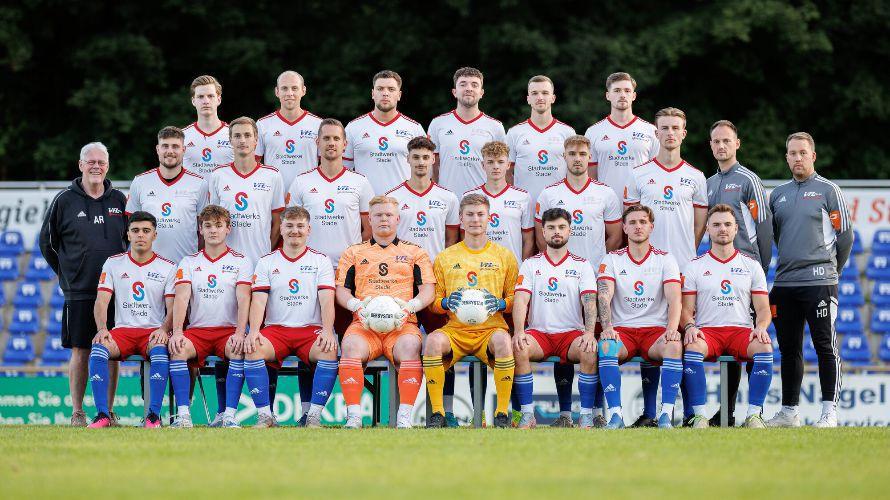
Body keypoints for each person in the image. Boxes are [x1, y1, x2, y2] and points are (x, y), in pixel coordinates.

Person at [623, 107, 707, 426]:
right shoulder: (638, 174)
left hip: (683, 269)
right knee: (650, 332)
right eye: (664, 128)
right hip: (647, 268)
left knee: (680, 337)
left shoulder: (696, 177)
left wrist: (682, 254)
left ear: (683, 133)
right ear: (655, 133)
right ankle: (650, 412)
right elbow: (633, 221)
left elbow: (698, 226)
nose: (670, 133)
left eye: (675, 128)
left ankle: (690, 412)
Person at [535, 135, 623, 426]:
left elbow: (614, 236)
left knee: (591, 343)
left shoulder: (605, 193)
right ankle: (564, 413)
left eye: (582, 154)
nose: (577, 158)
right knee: (563, 340)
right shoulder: (550, 193)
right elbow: (541, 237)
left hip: (593, 280)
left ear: (589, 158)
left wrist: (597, 268)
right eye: (571, 153)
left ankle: (595, 412)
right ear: (564, 156)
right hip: (559, 277)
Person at [766, 132, 853, 428]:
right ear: (786, 158)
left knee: (824, 346)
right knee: (789, 349)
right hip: (784, 284)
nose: (798, 158)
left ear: (813, 156)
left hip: (820, 282)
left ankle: (829, 412)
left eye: (803, 152)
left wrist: (831, 271)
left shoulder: (829, 191)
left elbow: (845, 237)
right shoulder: (777, 195)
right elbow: (778, 236)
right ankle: (789, 412)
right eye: (792, 153)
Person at [39, 141, 128, 427]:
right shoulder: (64, 200)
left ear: (107, 166)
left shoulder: (120, 200)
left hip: (113, 292)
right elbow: (46, 242)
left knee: (111, 350)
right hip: (79, 291)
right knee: (81, 350)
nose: (96, 166)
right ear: (80, 165)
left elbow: (130, 241)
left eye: (101, 162)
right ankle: (77, 411)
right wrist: (66, 274)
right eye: (91, 161)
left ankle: (108, 411)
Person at [336, 196, 436, 429]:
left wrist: (411, 307)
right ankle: (354, 416)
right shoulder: (353, 252)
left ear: (398, 219)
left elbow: (428, 291)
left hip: (402, 324)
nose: (384, 219)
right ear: (369, 219)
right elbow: (341, 290)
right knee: (349, 346)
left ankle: (404, 417)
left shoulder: (415, 252)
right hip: (364, 324)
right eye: (378, 215)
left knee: (410, 347)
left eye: (389, 215)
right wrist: (355, 306)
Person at [423, 193, 519, 429]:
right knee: (433, 341)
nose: (475, 219)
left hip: (491, 329)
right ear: (461, 219)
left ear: (489, 218)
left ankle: (502, 413)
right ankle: (438, 414)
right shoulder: (445, 257)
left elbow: (515, 298)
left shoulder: (505, 256)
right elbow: (434, 302)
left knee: (504, 342)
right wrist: (446, 303)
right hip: (456, 330)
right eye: (470, 215)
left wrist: (501, 304)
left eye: (480, 214)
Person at [386, 136, 461, 426]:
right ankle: (399, 412)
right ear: (407, 159)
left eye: (425, 157)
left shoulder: (448, 197)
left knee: (443, 345)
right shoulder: (393, 196)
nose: (420, 162)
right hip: (401, 284)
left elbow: (451, 241)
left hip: (436, 283)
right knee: (399, 345)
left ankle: (445, 412)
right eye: (415, 157)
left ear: (433, 160)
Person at [243, 206, 338, 428]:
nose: (295, 231)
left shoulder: (320, 261)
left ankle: (313, 417)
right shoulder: (267, 261)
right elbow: (258, 301)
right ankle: (265, 416)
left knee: (329, 349)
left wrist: (327, 331)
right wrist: (254, 331)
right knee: (253, 347)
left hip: (310, 329)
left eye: (300, 226)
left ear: (309, 230)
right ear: (281, 229)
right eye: (289, 226)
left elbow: (327, 300)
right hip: (276, 330)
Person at [679, 204, 773, 428]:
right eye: (717, 225)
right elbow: (685, 310)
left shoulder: (751, 266)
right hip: (708, 332)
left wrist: (761, 327)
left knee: (764, 347)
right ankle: (699, 416)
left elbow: (763, 310)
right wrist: (690, 326)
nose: (722, 229)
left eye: (727, 224)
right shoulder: (694, 266)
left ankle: (754, 415)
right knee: (692, 347)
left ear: (736, 228)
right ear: (708, 229)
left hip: (740, 331)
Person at [705, 119, 773, 426]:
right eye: (716, 141)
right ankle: (727, 410)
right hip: (718, 270)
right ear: (711, 146)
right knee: (727, 338)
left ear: (737, 144)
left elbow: (764, 227)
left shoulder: (748, 180)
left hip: (745, 271)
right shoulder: (708, 183)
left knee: (753, 339)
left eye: (726, 141)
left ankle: (755, 411)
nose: (721, 146)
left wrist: (761, 267)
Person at [596, 204, 684, 429]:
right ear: (624, 228)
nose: (638, 227)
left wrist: (672, 329)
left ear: (651, 227)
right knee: (606, 345)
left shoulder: (665, 259)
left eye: (643, 222)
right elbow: (604, 296)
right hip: (623, 332)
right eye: (632, 222)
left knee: (674, 346)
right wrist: (607, 327)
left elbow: (675, 299)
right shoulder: (612, 259)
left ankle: (665, 416)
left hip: (655, 332)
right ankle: (616, 415)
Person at [288, 118, 374, 343]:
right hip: (310, 270)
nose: (331, 143)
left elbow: (368, 230)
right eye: (326, 138)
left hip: (348, 271)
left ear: (345, 144)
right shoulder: (301, 182)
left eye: (336, 138)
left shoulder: (360, 182)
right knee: (312, 335)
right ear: (317, 142)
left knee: (349, 335)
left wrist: (352, 257)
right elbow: (291, 229)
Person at [512, 208, 599, 428]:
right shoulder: (531, 264)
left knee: (589, 349)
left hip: (571, 335)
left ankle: (586, 415)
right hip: (539, 334)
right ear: (543, 231)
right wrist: (519, 331)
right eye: (551, 228)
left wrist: (589, 333)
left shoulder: (582, 265)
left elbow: (589, 301)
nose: (556, 232)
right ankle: (527, 414)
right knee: (519, 347)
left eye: (561, 227)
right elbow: (521, 300)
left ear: (570, 230)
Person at [167, 205, 252, 428]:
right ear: (200, 229)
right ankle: (183, 415)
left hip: (228, 331)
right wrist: (177, 332)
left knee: (238, 349)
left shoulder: (241, 261)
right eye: (208, 226)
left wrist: (240, 332)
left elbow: (244, 299)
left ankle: (229, 416)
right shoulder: (189, 262)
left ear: (228, 229)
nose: (213, 230)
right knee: (177, 348)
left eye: (218, 225)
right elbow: (181, 298)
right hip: (198, 332)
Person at [88, 211, 176, 428]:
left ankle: (153, 416)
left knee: (160, 351)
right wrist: (102, 329)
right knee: (98, 349)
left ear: (155, 235)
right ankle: (103, 415)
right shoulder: (113, 263)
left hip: (152, 332)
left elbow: (173, 307)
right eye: (135, 230)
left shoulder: (168, 267)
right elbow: (101, 301)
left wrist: (164, 329)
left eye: (146, 231)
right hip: (123, 332)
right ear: (128, 234)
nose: (140, 235)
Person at [126, 126, 209, 265]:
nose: (170, 151)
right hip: (148, 268)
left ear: (184, 150)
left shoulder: (199, 184)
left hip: (185, 267)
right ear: (157, 149)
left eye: (175, 146)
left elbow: (203, 230)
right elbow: (131, 226)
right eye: (165, 146)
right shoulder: (140, 182)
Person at [208, 116, 285, 265]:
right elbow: (213, 220)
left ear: (256, 140)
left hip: (259, 262)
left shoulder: (272, 175)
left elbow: (278, 223)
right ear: (230, 140)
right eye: (237, 136)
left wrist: (265, 256)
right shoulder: (218, 175)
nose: (242, 140)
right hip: (225, 263)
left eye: (247, 135)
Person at [428, 67, 506, 199]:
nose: (469, 88)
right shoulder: (438, 124)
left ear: (481, 93)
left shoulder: (495, 127)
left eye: (474, 85)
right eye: (463, 84)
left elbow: (502, 169)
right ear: (454, 92)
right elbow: (432, 165)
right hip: (446, 201)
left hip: (482, 202)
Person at [344, 70, 426, 195]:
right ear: (373, 93)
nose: (385, 93)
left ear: (399, 95)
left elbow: (425, 171)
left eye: (391, 89)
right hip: (365, 203)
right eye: (380, 89)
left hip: (403, 203)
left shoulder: (414, 129)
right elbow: (343, 170)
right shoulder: (353, 128)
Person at [584, 72, 659, 200]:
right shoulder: (593, 132)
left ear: (634, 96)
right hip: (606, 205)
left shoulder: (651, 131)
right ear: (608, 95)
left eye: (627, 91)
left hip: (640, 207)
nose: (623, 95)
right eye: (617, 90)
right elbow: (591, 177)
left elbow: (656, 174)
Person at [506, 75, 575, 212]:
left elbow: (574, 173)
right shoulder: (514, 133)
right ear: (528, 99)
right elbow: (506, 173)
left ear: (553, 98)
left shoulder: (567, 133)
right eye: (534, 93)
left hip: (558, 209)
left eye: (545, 93)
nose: (540, 97)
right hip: (523, 209)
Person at [464, 141, 534, 262]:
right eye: (490, 162)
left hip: (511, 268)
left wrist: (522, 268)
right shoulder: (469, 196)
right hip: (478, 266)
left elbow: (528, 240)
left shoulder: (523, 197)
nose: (496, 166)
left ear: (508, 165)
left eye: (500, 162)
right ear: (483, 165)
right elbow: (464, 237)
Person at [256, 70, 323, 192]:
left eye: (294, 88)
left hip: (307, 195)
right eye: (284, 88)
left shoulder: (318, 125)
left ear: (303, 90)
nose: (289, 93)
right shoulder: (262, 124)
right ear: (277, 92)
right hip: (273, 196)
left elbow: (325, 165)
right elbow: (253, 164)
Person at [182, 75, 233, 176]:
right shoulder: (182, 136)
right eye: (200, 97)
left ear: (219, 99)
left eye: (210, 96)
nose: (206, 101)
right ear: (193, 101)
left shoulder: (234, 134)